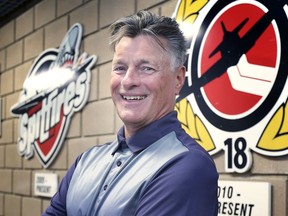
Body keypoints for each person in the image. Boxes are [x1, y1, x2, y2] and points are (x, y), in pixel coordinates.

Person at [43, 10, 218, 216]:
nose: (128, 81)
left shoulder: (188, 167)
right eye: (120, 68)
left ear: (178, 79)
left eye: (146, 68)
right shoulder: (86, 160)